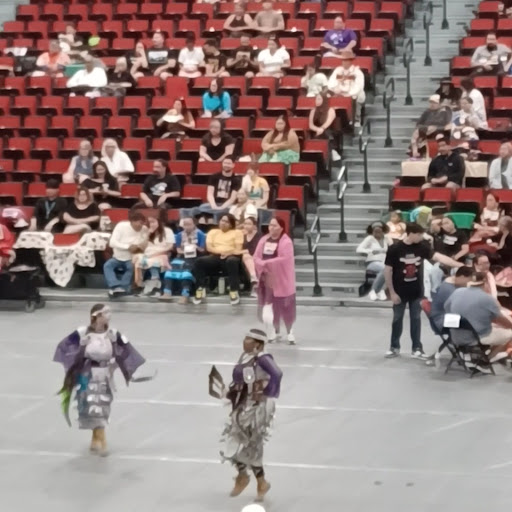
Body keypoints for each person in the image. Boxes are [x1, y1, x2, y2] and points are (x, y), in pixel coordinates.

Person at [53, 304, 146, 456]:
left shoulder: (113, 333)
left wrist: (115, 351)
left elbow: (126, 352)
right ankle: (100, 439)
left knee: (101, 406)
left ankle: (98, 439)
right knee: (90, 406)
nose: (109, 315)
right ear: (96, 316)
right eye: (106, 312)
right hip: (87, 374)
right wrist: (81, 347)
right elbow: (65, 348)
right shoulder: (82, 332)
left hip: (104, 374)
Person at [212, 329, 282, 502]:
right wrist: (230, 392)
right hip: (243, 404)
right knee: (235, 443)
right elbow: (242, 382)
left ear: (258, 343)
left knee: (251, 444)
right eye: (245, 338)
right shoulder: (246, 357)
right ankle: (248, 477)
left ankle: (256, 481)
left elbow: (277, 374)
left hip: (256, 408)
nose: (245, 341)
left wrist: (266, 392)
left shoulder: (263, 358)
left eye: (249, 339)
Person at [383, 222, 464, 359]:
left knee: (416, 319)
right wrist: (392, 292)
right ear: (411, 234)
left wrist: (458, 264)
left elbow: (439, 257)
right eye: (419, 235)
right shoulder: (395, 249)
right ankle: (394, 347)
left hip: (416, 291)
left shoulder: (422, 247)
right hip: (399, 290)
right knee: (397, 319)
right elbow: (387, 270)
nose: (421, 237)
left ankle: (417, 348)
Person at [444, 272, 512, 361]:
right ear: (486, 283)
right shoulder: (487, 299)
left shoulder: (457, 292)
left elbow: (446, 308)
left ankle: (483, 356)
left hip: (455, 335)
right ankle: (487, 360)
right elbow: (501, 320)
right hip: (475, 337)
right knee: (508, 331)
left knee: (493, 327)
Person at [254, 217, 296, 344]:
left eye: (274, 225)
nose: (271, 228)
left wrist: (266, 263)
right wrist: (261, 265)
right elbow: (256, 257)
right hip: (267, 278)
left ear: (281, 228)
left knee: (286, 307)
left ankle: (290, 332)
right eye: (270, 225)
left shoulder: (286, 242)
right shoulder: (263, 240)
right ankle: (273, 331)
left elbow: (284, 259)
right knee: (269, 306)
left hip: (282, 279)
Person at [192, 213, 243, 305]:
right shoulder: (213, 232)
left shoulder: (237, 233)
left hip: (231, 256)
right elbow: (209, 248)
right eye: (222, 220)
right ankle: (200, 288)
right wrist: (221, 252)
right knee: (199, 262)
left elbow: (238, 249)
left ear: (231, 224)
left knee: (232, 261)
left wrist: (228, 253)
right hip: (216, 256)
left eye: (227, 222)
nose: (223, 223)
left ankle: (234, 291)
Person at [161, 217, 207, 303]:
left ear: (194, 224)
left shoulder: (200, 234)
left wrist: (195, 247)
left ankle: (185, 294)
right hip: (182, 255)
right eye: (185, 225)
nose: (187, 226)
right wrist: (185, 251)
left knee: (186, 271)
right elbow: (178, 249)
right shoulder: (179, 235)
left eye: (189, 224)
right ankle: (167, 291)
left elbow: (202, 249)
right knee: (171, 267)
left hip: (195, 257)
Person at [104, 210, 148, 297]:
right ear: (132, 222)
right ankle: (115, 286)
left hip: (132, 258)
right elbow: (112, 243)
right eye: (138, 223)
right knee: (107, 265)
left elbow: (144, 244)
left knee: (132, 266)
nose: (140, 225)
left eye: (141, 223)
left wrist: (138, 247)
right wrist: (127, 247)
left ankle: (123, 287)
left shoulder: (144, 229)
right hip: (117, 257)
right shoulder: (121, 226)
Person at [181, 157, 240, 222]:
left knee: (229, 210)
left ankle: (209, 217)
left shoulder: (236, 180)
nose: (226, 165)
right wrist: (214, 206)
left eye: (229, 163)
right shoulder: (214, 176)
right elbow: (210, 194)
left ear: (233, 165)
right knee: (200, 207)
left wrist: (221, 207)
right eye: (225, 163)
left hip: (227, 206)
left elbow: (232, 198)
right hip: (213, 204)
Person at [133, 215, 175, 296]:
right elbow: (142, 247)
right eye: (149, 223)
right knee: (137, 260)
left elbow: (170, 247)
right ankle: (140, 285)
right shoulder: (147, 232)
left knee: (153, 261)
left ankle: (156, 286)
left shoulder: (167, 231)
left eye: (153, 222)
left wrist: (155, 254)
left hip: (162, 253)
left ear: (159, 222)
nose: (151, 224)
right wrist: (148, 234)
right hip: (148, 253)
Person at [327, 50, 365, 127]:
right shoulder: (338, 70)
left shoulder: (357, 72)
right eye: (342, 60)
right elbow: (330, 83)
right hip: (339, 93)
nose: (343, 62)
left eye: (345, 60)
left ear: (350, 61)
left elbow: (359, 86)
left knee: (358, 96)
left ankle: (356, 119)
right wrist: (336, 89)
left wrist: (348, 94)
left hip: (351, 93)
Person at [429, 266, 473, 332]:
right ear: (462, 277)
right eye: (468, 280)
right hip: (442, 321)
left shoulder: (451, 283)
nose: (468, 284)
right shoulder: (449, 289)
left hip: (446, 317)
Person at [357, 221, 392, 301]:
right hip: (372, 262)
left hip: (385, 262)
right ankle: (375, 290)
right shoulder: (369, 238)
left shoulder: (387, 238)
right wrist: (371, 251)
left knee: (386, 270)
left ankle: (378, 291)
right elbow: (359, 249)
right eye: (375, 231)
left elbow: (393, 248)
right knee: (386, 269)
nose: (377, 233)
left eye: (379, 231)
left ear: (383, 230)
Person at [409, 95, 452, 159]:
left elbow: (447, 124)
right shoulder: (427, 112)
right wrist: (426, 128)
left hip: (440, 131)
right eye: (431, 102)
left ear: (439, 103)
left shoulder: (445, 112)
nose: (432, 104)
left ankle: (439, 153)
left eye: (434, 103)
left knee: (439, 136)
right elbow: (418, 124)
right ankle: (415, 152)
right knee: (416, 133)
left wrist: (435, 128)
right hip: (426, 130)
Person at [242, 217, 261, 296]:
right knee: (246, 256)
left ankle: (254, 282)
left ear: (254, 226)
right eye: (245, 224)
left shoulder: (259, 236)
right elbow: (238, 248)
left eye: (249, 224)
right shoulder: (242, 235)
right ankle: (254, 280)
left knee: (248, 257)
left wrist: (246, 251)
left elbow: (256, 249)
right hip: (243, 258)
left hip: (256, 257)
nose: (246, 226)